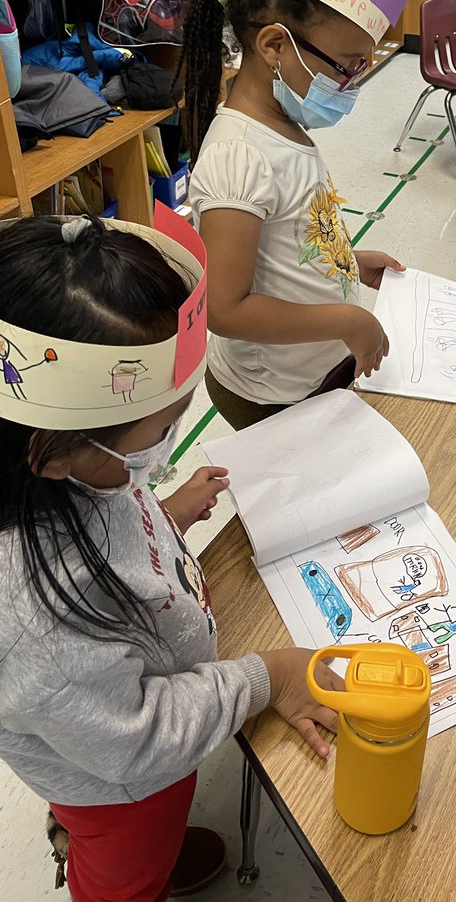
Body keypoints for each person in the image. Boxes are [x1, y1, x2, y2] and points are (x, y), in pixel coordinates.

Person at [0, 212, 342, 902]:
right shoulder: (36, 629)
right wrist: (268, 677)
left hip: (105, 736)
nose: (163, 450)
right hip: (121, 786)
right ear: (54, 452)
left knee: (146, 824)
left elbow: (109, 502)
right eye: (157, 434)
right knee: (125, 873)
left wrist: (161, 508)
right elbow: (137, 738)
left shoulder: (66, 469)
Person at [178, 0, 408, 432]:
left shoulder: (282, 122)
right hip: (271, 395)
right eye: (346, 66)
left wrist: (345, 261)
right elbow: (225, 309)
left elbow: (286, 237)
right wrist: (348, 318)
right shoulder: (239, 156)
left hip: (309, 373)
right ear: (275, 47)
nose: (351, 84)